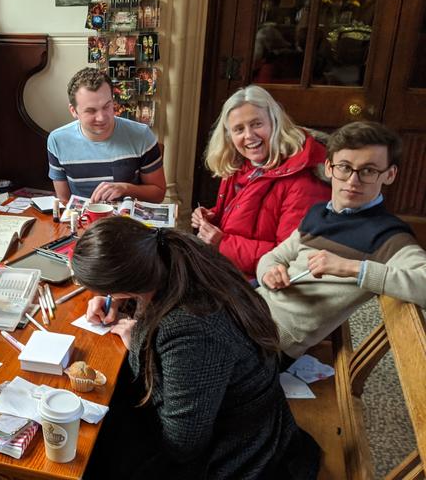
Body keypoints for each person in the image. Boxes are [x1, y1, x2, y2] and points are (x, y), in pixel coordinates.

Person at [75, 218, 319, 479]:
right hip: (239, 410)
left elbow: (182, 444)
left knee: (92, 448)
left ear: (124, 284)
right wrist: (121, 303)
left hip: (235, 448)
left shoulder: (191, 329)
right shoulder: (181, 255)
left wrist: (138, 346)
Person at [257, 121, 426, 359]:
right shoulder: (319, 213)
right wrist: (269, 272)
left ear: (389, 175)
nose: (352, 181)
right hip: (254, 310)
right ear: (329, 168)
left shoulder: (389, 236)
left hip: (272, 342)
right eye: (345, 167)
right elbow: (276, 256)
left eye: (368, 171)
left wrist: (351, 268)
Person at [192, 85, 329, 279]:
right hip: (229, 269)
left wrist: (221, 242)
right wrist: (212, 217)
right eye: (239, 129)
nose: (249, 135)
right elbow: (250, 222)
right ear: (229, 136)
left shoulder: (304, 181)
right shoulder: (241, 164)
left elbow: (290, 259)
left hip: (261, 285)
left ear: (275, 123)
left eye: (256, 124)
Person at [47, 67, 165, 204]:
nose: (102, 117)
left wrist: (125, 189)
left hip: (127, 222)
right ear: (73, 111)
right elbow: (64, 200)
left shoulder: (142, 135)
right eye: (91, 111)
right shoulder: (57, 140)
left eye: (107, 107)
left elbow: (158, 194)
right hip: (83, 222)